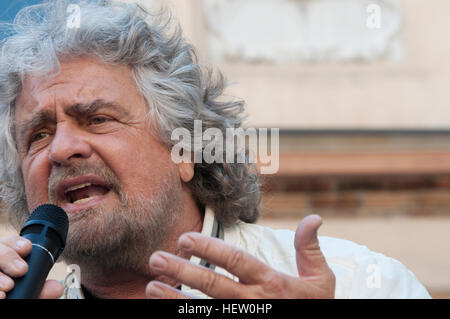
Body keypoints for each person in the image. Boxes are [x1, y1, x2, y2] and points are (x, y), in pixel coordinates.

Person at [0, 0, 430, 299]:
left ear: (185, 149)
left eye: (97, 119)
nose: (62, 149)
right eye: (37, 135)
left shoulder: (357, 283)